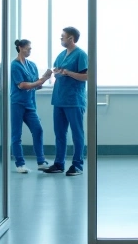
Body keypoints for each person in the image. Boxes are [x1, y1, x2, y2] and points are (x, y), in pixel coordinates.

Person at [44, 26, 88, 177]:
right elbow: (57, 70)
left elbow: (86, 76)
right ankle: (59, 164)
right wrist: (55, 73)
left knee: (77, 133)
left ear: (71, 38)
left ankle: (77, 165)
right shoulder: (61, 55)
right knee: (60, 133)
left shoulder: (81, 55)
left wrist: (68, 72)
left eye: (63, 36)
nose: (61, 38)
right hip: (59, 99)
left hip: (74, 100)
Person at [10, 39, 52, 173]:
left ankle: (41, 161)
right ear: (20, 48)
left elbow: (35, 85)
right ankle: (20, 164)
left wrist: (44, 78)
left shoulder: (32, 65)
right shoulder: (15, 65)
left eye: (31, 49)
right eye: (28, 48)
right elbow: (22, 85)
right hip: (17, 103)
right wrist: (39, 81)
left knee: (38, 129)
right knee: (16, 134)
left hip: (30, 104)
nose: (30, 51)